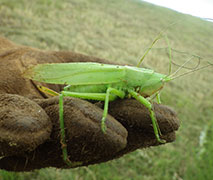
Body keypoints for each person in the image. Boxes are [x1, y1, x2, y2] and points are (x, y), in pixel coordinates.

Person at [0, 36, 179, 171]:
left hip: (105, 87)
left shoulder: (138, 78)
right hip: (88, 90)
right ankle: (153, 133)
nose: (159, 87)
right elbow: (110, 92)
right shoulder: (130, 76)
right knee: (103, 94)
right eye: (159, 83)